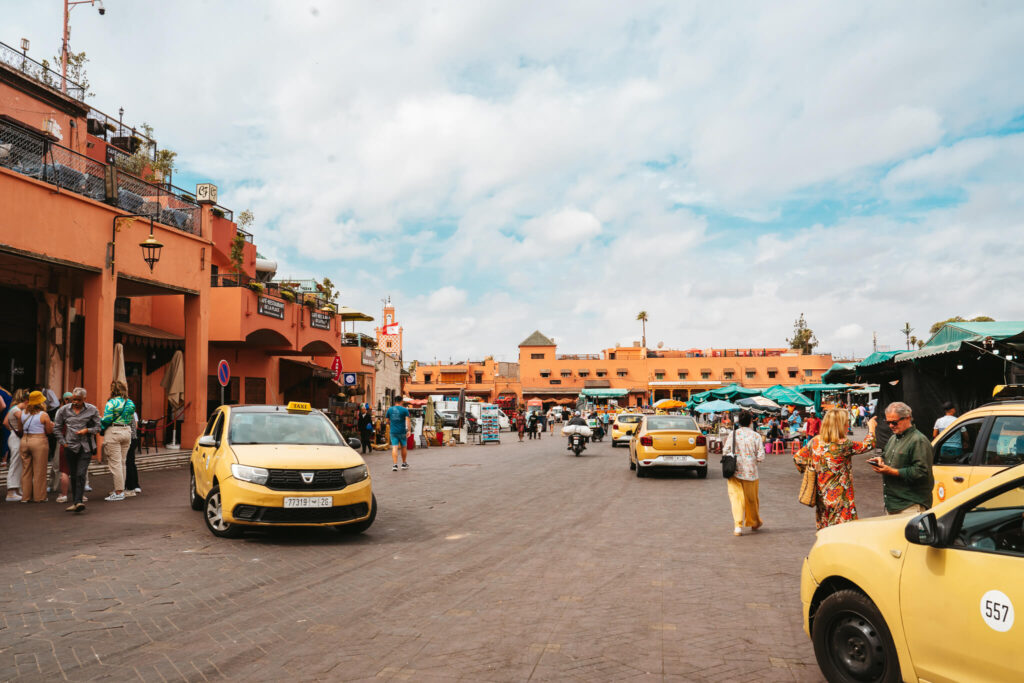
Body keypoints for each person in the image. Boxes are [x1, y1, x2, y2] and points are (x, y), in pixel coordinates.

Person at [794, 409, 877, 529]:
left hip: (821, 497)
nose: (848, 425)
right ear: (840, 425)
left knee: (825, 532)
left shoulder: (815, 441)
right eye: (846, 423)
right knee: (843, 534)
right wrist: (872, 427)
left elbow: (798, 459)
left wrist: (815, 469)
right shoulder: (843, 444)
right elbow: (868, 444)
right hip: (841, 498)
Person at [869, 402, 934, 515]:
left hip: (910, 505)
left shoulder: (918, 440)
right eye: (888, 422)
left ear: (908, 418)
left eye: (894, 422)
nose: (890, 426)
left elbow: (921, 471)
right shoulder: (893, 438)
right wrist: (880, 459)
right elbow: (887, 455)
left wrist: (892, 471)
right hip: (893, 504)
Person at [54, 388, 100, 512]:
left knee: (81, 473)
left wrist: (87, 431)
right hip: (70, 446)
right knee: (73, 475)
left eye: (78, 400)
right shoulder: (63, 410)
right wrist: (63, 443)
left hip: (86, 447)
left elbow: (98, 427)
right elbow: (56, 428)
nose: (75, 402)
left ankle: (79, 501)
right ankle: (76, 501)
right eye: (73, 399)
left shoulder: (92, 409)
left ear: (84, 399)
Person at [723, 411, 765, 536]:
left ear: (739, 422)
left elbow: (725, 451)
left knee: (736, 498)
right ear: (751, 421)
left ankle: (738, 526)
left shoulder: (733, 434)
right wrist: (752, 459)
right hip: (751, 473)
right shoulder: (756, 436)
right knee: (751, 499)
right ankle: (754, 522)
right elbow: (761, 456)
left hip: (734, 471)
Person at [99, 381, 135, 501]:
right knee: (122, 462)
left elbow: (107, 419)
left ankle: (119, 492)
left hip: (114, 431)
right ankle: (121, 489)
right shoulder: (130, 402)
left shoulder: (111, 402)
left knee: (115, 464)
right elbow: (131, 418)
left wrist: (101, 423)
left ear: (113, 390)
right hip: (127, 431)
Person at [17, 391, 54, 502]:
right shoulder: (44, 415)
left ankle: (25, 497)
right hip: (39, 441)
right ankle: (39, 497)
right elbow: (48, 431)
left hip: (25, 440)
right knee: (39, 470)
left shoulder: (22, 413)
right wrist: (52, 425)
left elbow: (19, 429)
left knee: (26, 470)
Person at [3, 389, 28, 501]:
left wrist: (13, 430)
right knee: (16, 462)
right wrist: (18, 430)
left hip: (14, 435)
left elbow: (5, 422)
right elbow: (22, 420)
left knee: (17, 462)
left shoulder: (13, 408)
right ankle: (11, 491)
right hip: (17, 437)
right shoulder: (18, 410)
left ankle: (15, 490)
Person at [385, 397, 411, 471]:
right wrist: (409, 430)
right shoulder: (405, 410)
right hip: (402, 431)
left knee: (394, 447)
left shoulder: (390, 409)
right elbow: (408, 421)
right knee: (403, 447)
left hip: (393, 431)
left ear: (395, 401)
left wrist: (392, 424)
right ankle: (403, 464)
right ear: (401, 401)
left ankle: (395, 465)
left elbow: (387, 421)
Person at [124, 410, 142, 496]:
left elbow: (136, 426)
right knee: (128, 462)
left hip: (131, 438)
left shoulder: (131, 413)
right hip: (129, 438)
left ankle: (133, 485)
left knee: (130, 462)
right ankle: (130, 485)